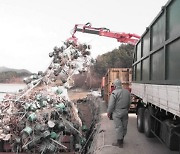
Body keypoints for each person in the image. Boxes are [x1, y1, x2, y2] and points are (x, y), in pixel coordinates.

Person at [107, 79, 131, 148]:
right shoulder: (127, 92)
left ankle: (119, 143)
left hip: (117, 113)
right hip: (125, 112)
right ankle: (122, 139)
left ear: (115, 85)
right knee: (124, 126)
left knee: (119, 127)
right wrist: (127, 109)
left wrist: (109, 112)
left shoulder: (114, 93)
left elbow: (111, 105)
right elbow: (129, 102)